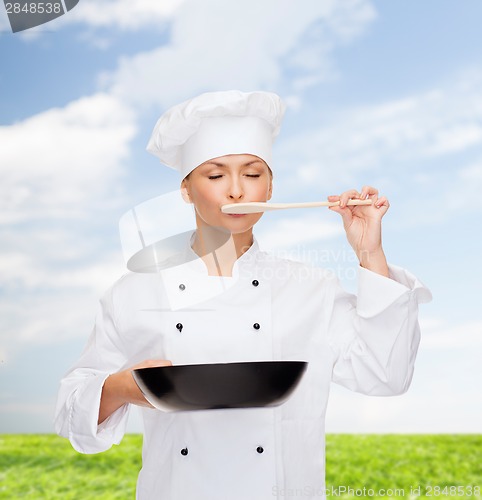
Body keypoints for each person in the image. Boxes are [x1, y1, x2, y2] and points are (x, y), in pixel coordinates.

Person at [55, 90, 431, 499]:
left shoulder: (311, 288)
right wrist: (123, 388)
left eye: (252, 174)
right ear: (186, 190)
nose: (236, 191)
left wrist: (368, 252)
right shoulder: (134, 292)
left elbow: (386, 376)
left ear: (270, 188)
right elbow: (73, 414)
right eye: (215, 176)